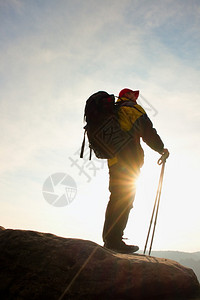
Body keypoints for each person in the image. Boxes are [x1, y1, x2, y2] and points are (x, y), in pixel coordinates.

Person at [102, 88, 169, 254]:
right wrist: (161, 149)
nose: (135, 97)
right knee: (125, 199)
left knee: (116, 198)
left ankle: (110, 239)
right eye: (133, 94)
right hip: (129, 160)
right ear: (127, 95)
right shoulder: (133, 109)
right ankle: (115, 240)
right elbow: (148, 132)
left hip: (114, 161)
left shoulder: (114, 111)